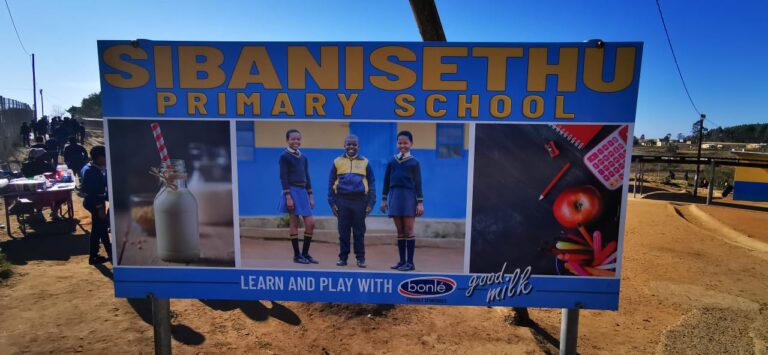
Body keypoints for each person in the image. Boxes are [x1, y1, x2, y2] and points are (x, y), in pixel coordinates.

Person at [328, 135, 376, 268]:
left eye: (354, 145)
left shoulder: (365, 162)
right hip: (342, 200)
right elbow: (331, 182)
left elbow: (371, 183)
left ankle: (360, 258)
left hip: (360, 201)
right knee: (343, 231)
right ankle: (343, 258)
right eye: (348, 144)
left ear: (358, 147)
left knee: (359, 231)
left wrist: (371, 203)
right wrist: (332, 203)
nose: (351, 147)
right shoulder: (337, 161)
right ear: (344, 146)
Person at [380, 130, 423, 272]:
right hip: (395, 196)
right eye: (400, 143)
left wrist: (420, 203)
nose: (402, 145)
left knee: (409, 230)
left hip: (409, 197)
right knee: (399, 231)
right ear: (397, 143)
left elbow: (418, 184)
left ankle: (410, 263)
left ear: (411, 144)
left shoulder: (414, 163)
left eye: (405, 143)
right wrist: (384, 200)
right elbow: (386, 181)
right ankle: (402, 261)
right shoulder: (392, 161)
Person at [278, 129, 317, 264]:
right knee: (294, 222)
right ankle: (297, 255)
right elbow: (283, 177)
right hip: (292, 191)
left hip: (303, 192)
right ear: (287, 140)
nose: (296, 141)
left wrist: (311, 195)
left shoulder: (303, 157)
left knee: (310, 223)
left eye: (298, 139)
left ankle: (305, 253)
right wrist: (288, 196)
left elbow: (307, 176)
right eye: (293, 139)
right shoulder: (284, 156)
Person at [81, 145, 112, 265]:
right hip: (95, 203)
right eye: (105, 157)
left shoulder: (89, 167)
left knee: (102, 227)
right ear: (99, 158)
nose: (106, 160)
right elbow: (94, 192)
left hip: (94, 201)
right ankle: (93, 256)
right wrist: (100, 209)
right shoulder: (92, 172)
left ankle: (109, 250)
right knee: (97, 230)